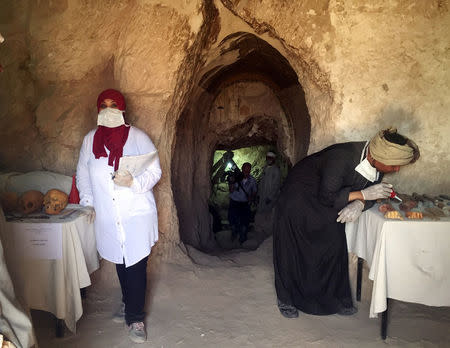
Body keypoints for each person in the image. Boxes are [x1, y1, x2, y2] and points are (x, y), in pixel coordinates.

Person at [273, 127, 419, 318]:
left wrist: (360, 203)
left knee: (334, 246)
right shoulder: (341, 158)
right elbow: (327, 196)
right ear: (378, 157)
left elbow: (371, 193)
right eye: (393, 166)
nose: (396, 170)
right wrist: (362, 195)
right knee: (292, 250)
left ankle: (337, 299)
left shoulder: (376, 165)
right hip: (298, 199)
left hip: (327, 204)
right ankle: (286, 299)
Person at [76, 89, 161, 343]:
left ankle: (135, 318)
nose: (109, 109)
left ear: (122, 109)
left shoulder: (137, 137)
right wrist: (88, 202)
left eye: (114, 104)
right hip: (108, 215)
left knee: (135, 264)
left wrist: (133, 182)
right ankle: (128, 303)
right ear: (98, 109)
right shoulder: (90, 141)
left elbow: (155, 171)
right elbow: (82, 173)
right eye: (104, 105)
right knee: (121, 263)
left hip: (135, 214)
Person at [228, 162, 257, 244]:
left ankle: (242, 239)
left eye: (248, 171)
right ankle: (234, 234)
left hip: (244, 204)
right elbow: (231, 190)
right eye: (245, 171)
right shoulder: (235, 178)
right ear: (242, 169)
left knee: (245, 222)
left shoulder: (252, 180)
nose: (246, 173)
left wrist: (251, 197)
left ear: (250, 171)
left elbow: (254, 191)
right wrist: (232, 182)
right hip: (234, 202)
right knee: (233, 221)